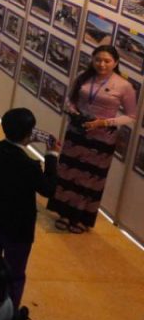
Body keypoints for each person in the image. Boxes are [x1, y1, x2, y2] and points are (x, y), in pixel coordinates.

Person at [0, 107, 59, 309]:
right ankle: (7, 312)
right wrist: (52, 155)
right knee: (14, 274)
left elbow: (11, 147)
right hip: (17, 226)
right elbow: (48, 189)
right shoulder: (30, 166)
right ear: (28, 134)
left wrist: (25, 137)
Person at [47, 44, 138, 233]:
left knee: (90, 179)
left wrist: (104, 122)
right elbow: (70, 99)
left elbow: (131, 116)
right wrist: (74, 112)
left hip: (101, 140)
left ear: (116, 62)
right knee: (69, 173)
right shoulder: (83, 76)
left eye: (107, 61)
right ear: (92, 60)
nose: (101, 64)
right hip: (77, 133)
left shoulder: (124, 86)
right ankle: (64, 213)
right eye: (98, 60)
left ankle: (81, 218)